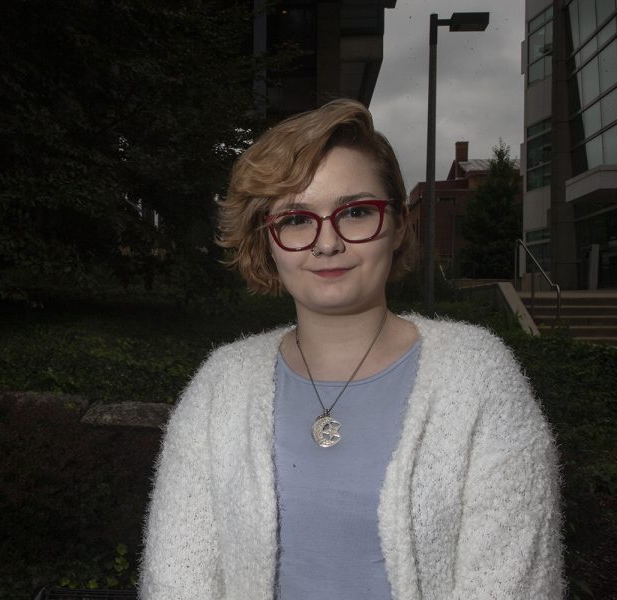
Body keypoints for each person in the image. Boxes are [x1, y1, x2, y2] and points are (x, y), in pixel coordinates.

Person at [138, 99, 563, 600]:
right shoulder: (219, 386)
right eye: (296, 219)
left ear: (399, 224)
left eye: (356, 212)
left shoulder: (480, 378)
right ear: (267, 240)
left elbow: (513, 585)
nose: (326, 243)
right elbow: (176, 579)